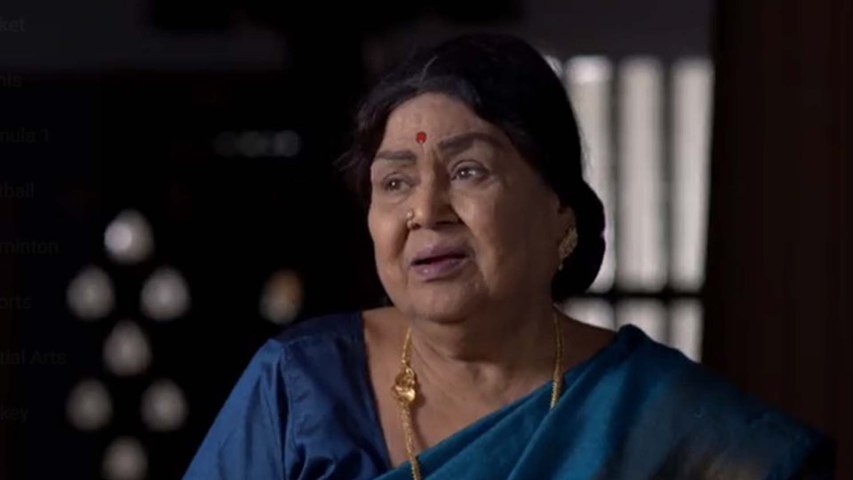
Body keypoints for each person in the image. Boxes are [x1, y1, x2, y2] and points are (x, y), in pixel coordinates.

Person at [184, 33, 832, 479]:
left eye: (468, 171)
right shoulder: (299, 387)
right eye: (395, 181)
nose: (425, 211)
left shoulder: (659, 414)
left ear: (559, 209)